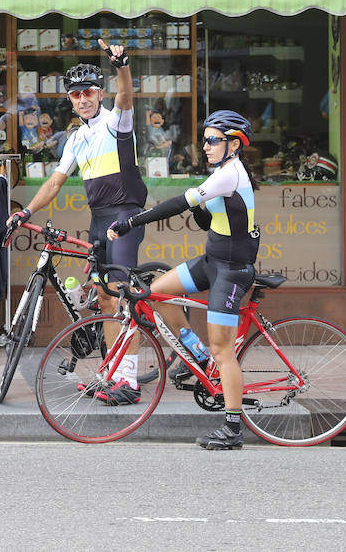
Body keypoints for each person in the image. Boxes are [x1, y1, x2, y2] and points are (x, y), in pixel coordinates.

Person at [6, 39, 149, 404]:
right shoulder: (75, 138)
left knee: (119, 297)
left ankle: (129, 383)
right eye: (75, 95)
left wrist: (122, 64)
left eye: (88, 92)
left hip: (125, 214)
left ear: (99, 93)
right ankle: (112, 373)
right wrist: (26, 212)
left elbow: (127, 96)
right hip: (99, 218)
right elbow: (55, 182)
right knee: (102, 296)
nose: (83, 99)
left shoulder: (117, 120)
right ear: (69, 100)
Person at [108, 109, 258, 450]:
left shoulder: (229, 173)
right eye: (203, 140)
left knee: (224, 350)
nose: (205, 146)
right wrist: (202, 209)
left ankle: (232, 429)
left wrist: (128, 223)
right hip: (212, 261)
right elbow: (208, 221)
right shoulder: (223, 172)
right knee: (154, 294)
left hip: (232, 271)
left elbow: (177, 204)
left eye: (212, 140)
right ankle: (196, 357)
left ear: (233, 144)